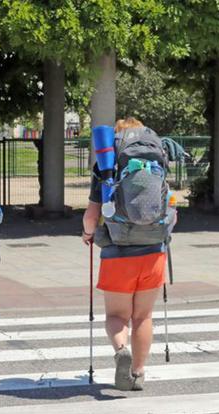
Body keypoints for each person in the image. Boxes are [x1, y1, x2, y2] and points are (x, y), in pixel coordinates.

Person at [82, 117, 176, 391]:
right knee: (143, 316)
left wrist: (88, 234)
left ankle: (121, 349)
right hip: (154, 252)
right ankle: (137, 371)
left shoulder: (106, 167)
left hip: (117, 252)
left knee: (117, 316)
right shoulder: (156, 162)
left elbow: (91, 217)